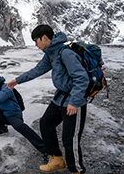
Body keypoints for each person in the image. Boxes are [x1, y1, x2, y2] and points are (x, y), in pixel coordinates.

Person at [7, 25, 89, 174]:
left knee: (70, 138)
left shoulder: (66, 54)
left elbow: (82, 79)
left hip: (74, 100)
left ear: (44, 38)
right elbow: (37, 70)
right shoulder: (51, 53)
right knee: (45, 123)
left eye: (36, 41)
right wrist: (18, 80)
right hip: (60, 98)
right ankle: (57, 159)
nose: (36, 45)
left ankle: (77, 170)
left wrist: (74, 102)